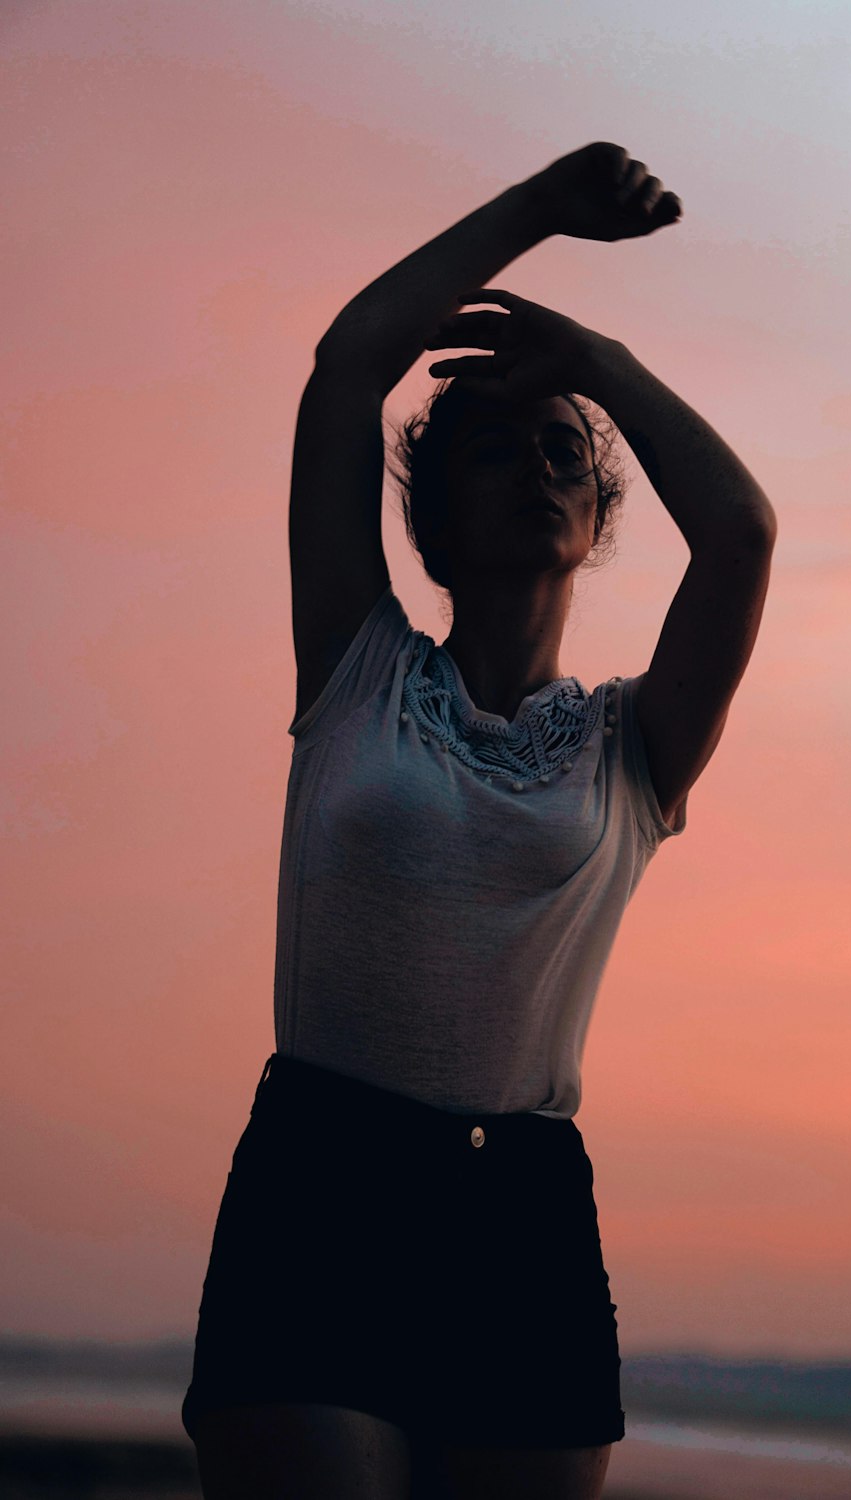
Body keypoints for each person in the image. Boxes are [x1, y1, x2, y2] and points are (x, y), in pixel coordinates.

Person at [180, 141, 777, 1500]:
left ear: (596, 514)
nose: (533, 468)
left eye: (561, 451)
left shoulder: (637, 749)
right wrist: (534, 217)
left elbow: (740, 533)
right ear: (430, 530)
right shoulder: (359, 670)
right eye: (491, 449)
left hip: (523, 1220)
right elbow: (347, 369)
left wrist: (594, 358)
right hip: (319, 1189)